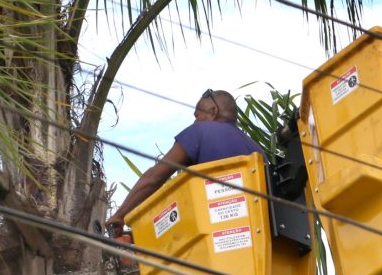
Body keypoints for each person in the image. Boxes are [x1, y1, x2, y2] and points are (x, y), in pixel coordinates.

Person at [105, 89, 265, 229]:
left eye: (197, 115)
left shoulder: (200, 131)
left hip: (215, 234)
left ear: (213, 111)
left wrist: (120, 215)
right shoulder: (258, 150)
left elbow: (154, 178)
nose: (195, 121)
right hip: (257, 235)